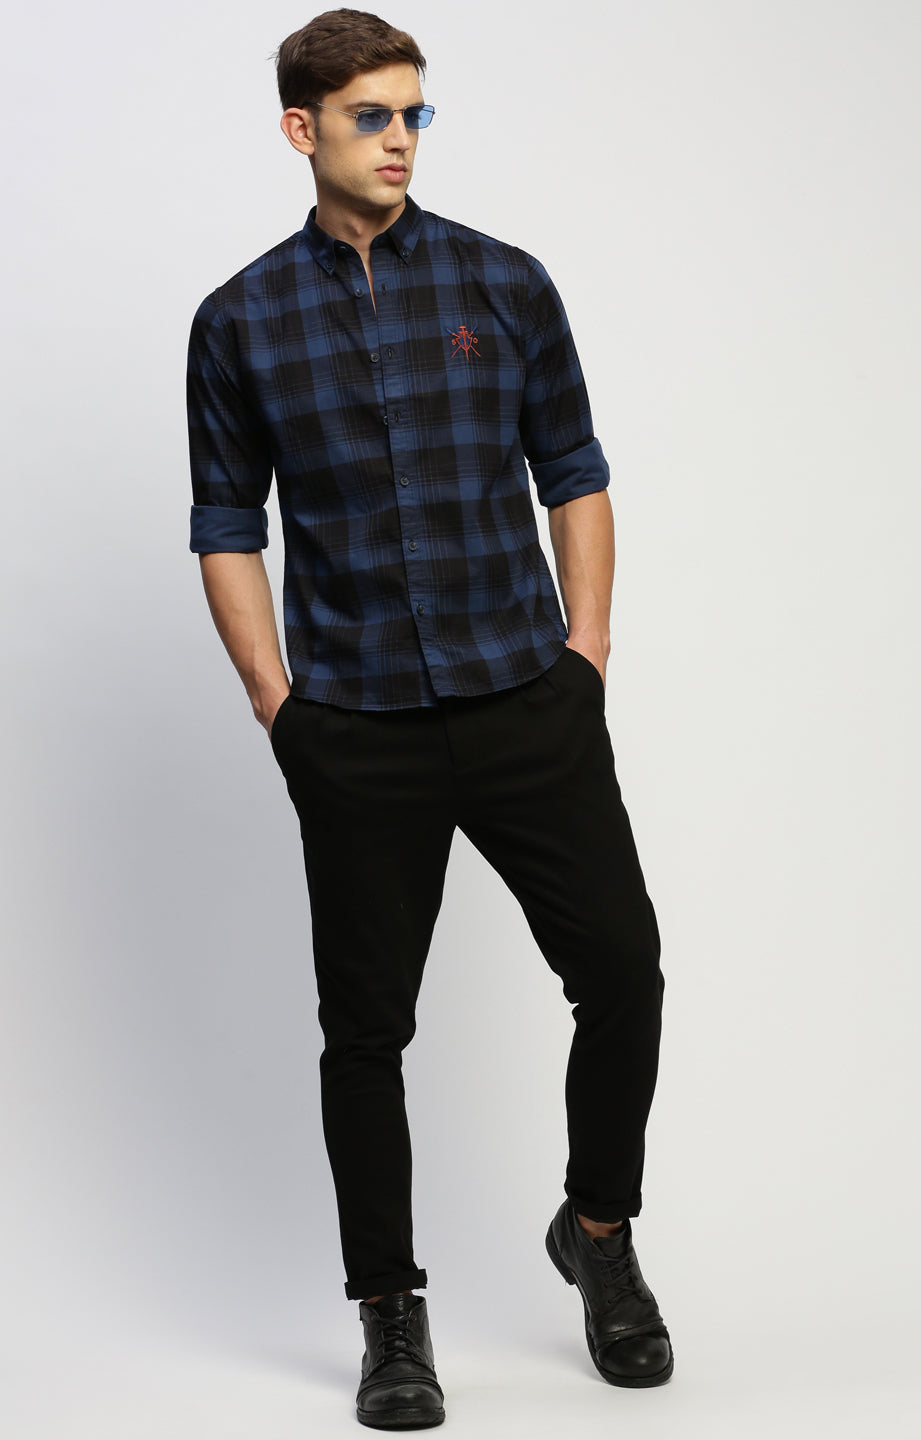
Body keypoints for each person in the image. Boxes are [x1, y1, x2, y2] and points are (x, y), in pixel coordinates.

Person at [186, 8, 672, 1427]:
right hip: (357, 727)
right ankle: (390, 1315)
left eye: (415, 114)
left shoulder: (503, 283)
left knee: (623, 971)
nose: (400, 139)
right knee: (365, 1035)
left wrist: (585, 653)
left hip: (526, 697)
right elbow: (227, 524)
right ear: (302, 129)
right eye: (372, 116)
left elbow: (573, 470)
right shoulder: (239, 321)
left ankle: (598, 1234)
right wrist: (280, 705)